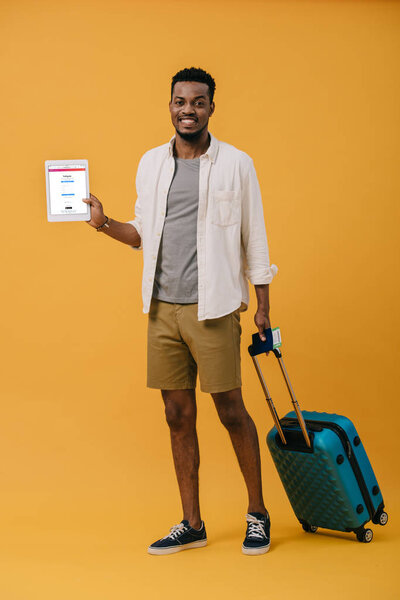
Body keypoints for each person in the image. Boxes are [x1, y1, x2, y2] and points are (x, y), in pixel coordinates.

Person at [82, 67, 278, 556]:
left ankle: (257, 513)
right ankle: (192, 523)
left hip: (212, 309)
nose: (187, 109)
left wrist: (262, 309)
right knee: (176, 414)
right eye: (179, 101)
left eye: (197, 101)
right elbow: (141, 233)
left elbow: (255, 237)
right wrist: (104, 223)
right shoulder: (150, 163)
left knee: (231, 410)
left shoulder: (236, 164)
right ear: (169, 106)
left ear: (212, 107)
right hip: (161, 309)